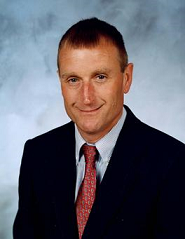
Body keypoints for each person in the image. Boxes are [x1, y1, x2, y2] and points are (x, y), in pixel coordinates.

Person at [13, 18, 185, 239]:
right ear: (60, 81)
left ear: (126, 78)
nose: (86, 98)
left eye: (100, 77)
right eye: (73, 79)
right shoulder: (38, 154)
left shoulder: (173, 162)